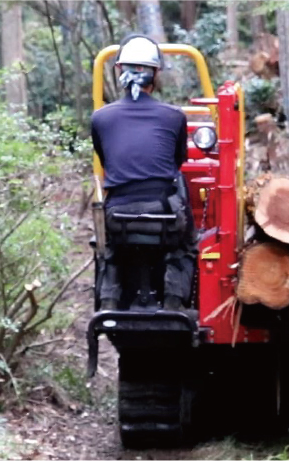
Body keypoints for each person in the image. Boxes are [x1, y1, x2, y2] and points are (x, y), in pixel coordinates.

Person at [90, 34, 197, 312]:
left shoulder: (100, 118)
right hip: (164, 216)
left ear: (118, 71)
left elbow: (107, 162)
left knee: (109, 248)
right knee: (186, 243)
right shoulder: (174, 116)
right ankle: (174, 302)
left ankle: (110, 301)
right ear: (156, 74)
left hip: (118, 217)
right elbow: (177, 163)